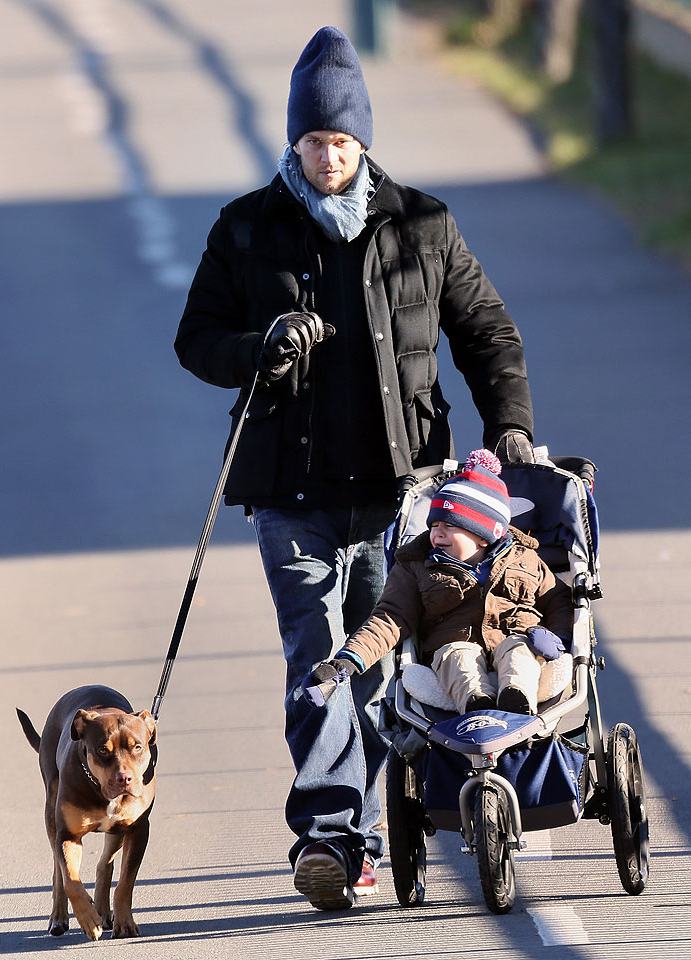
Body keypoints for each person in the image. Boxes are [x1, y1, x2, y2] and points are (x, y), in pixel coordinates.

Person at [174, 25, 535, 912]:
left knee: (375, 668)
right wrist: (257, 346)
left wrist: (512, 427)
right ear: (291, 141)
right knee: (317, 662)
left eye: (342, 140)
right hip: (289, 498)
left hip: (399, 498)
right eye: (313, 140)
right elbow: (195, 341)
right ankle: (332, 837)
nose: (328, 156)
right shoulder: (246, 229)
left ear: (363, 141)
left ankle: (366, 834)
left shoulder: (422, 224)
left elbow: (486, 332)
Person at [306, 450, 573, 722]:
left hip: (515, 637)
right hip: (453, 644)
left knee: (519, 652)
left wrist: (558, 637)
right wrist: (347, 662)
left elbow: (559, 599)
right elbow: (390, 618)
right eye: (434, 525)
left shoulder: (525, 559)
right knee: (457, 659)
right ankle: (477, 705)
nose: (437, 533)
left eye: (450, 525)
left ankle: (516, 701)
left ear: (484, 535)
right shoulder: (417, 566)